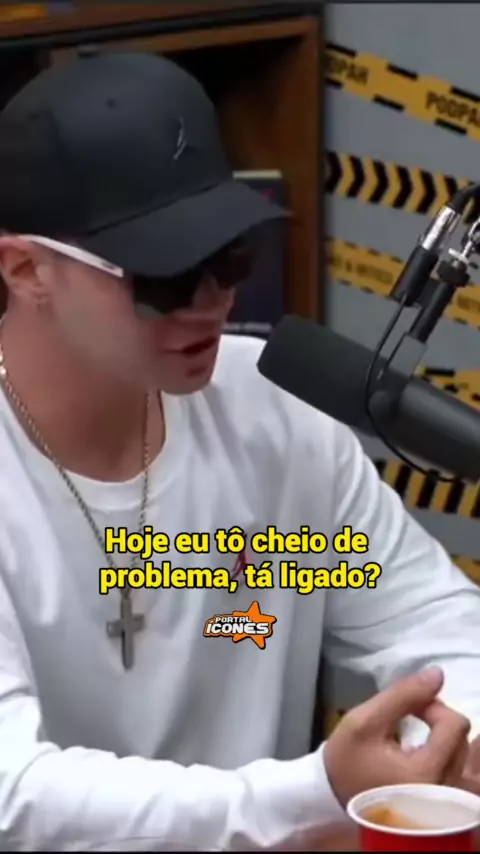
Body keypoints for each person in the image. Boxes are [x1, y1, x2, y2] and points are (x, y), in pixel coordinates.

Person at [0, 50, 480, 852]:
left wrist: (446, 740)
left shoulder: (277, 406)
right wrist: (313, 794)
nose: (213, 303)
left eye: (230, 259)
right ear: (26, 269)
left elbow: (440, 628)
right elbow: (14, 792)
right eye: (166, 277)